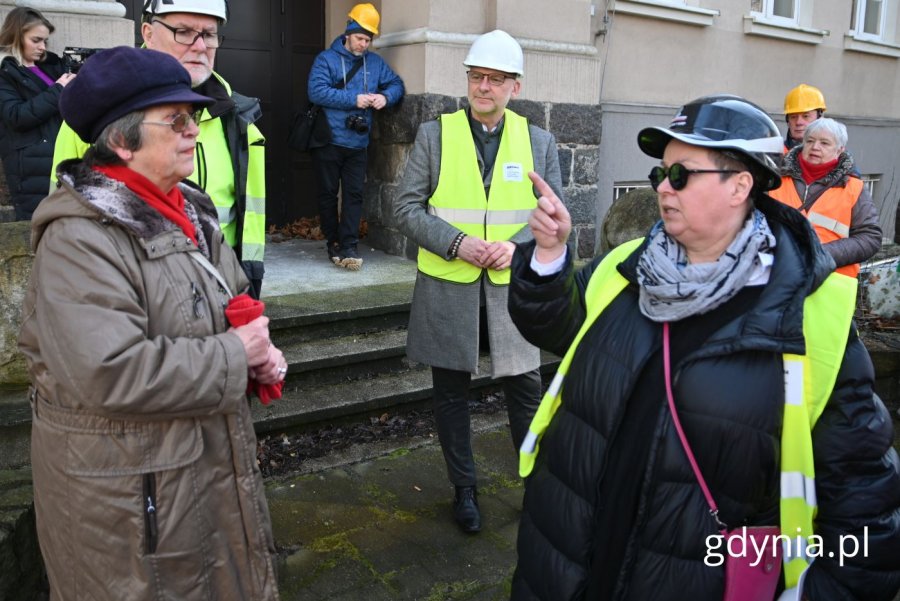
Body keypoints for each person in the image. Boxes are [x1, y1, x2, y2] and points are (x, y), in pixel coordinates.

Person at [507, 95, 900, 600]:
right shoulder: (629, 266)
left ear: (741, 185)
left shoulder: (811, 320)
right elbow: (558, 330)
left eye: (682, 175)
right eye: (660, 175)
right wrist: (548, 256)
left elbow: (868, 525)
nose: (663, 190)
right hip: (565, 562)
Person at [18, 46, 283, 600]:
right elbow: (107, 371)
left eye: (195, 118)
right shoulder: (80, 236)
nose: (194, 131)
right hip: (129, 500)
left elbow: (232, 298)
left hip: (191, 471)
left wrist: (262, 352)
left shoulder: (190, 208)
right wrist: (237, 355)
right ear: (122, 141)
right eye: (178, 120)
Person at [393, 30, 562, 534]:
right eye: (476, 76)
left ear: (515, 85)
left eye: (494, 79)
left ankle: (536, 485)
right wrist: (457, 243)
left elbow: (553, 214)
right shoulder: (434, 134)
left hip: (514, 287)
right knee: (449, 392)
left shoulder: (538, 140)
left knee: (525, 389)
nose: (482, 87)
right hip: (449, 282)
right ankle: (464, 489)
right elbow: (404, 208)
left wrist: (519, 247)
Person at [49, 0, 267, 300]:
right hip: (128, 298)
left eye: (209, 33)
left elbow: (250, 218)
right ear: (148, 33)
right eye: (184, 31)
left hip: (220, 289)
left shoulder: (239, 117)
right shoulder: (99, 114)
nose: (200, 45)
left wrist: (249, 280)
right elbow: (64, 220)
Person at [308, 2, 404, 270]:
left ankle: (349, 246)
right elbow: (316, 92)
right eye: (360, 38)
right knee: (328, 195)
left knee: (354, 196)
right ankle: (333, 243)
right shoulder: (325, 60)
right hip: (328, 141)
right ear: (348, 32)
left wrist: (385, 97)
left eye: (368, 39)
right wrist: (355, 99)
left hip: (358, 144)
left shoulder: (374, 63)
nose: (364, 44)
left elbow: (397, 84)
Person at [769, 117, 881, 278]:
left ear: (839, 150)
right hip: (777, 274)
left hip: (831, 283)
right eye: (810, 141)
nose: (815, 147)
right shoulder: (775, 178)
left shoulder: (853, 187)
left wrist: (821, 254)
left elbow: (870, 237)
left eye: (824, 143)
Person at [0, 7, 74, 220]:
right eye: (36, 40)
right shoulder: (5, 71)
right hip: (31, 167)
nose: (42, 47)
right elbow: (16, 116)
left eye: (45, 41)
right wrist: (59, 89)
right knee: (40, 227)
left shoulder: (50, 64)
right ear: (16, 36)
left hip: (61, 157)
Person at [783, 83, 826, 152]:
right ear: (788, 121)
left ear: (819, 118)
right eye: (793, 117)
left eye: (806, 116)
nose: (798, 122)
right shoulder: (776, 155)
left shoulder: (834, 156)